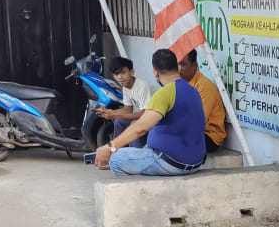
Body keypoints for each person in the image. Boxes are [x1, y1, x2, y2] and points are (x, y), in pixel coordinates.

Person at [93, 48, 206, 176]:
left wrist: (110, 147)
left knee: (116, 159)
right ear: (177, 68)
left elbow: (141, 128)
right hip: (195, 161)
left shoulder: (165, 93)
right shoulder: (193, 90)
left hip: (171, 162)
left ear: (155, 72)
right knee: (135, 151)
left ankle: (140, 193)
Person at [178, 48, 227, 153]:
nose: (179, 69)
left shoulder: (204, 86)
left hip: (210, 136)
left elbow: (199, 120)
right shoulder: (180, 83)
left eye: (183, 65)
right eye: (177, 65)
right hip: (191, 131)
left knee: (171, 142)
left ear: (194, 66)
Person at [96, 56, 152, 147]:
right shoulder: (125, 87)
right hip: (139, 118)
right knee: (119, 122)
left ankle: (134, 155)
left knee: (133, 127)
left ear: (131, 72)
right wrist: (110, 112)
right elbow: (128, 109)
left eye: (123, 72)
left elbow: (145, 113)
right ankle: (116, 149)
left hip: (152, 119)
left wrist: (116, 115)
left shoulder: (142, 86)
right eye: (116, 74)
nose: (120, 77)